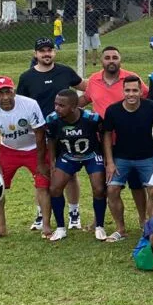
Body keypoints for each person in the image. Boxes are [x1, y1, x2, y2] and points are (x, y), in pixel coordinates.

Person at [17, 37, 86, 231]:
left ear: (54, 52)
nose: (46, 54)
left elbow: (86, 88)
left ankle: (74, 213)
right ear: (35, 54)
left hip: (66, 132)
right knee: (41, 174)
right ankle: (41, 213)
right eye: (42, 51)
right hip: (39, 134)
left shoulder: (65, 71)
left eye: (50, 50)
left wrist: (81, 108)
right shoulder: (26, 77)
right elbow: (20, 105)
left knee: (70, 173)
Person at [79, 46, 150, 228]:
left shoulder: (131, 78)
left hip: (129, 139)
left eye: (115, 57)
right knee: (103, 183)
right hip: (103, 141)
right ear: (102, 60)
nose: (111, 60)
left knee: (136, 184)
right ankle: (99, 219)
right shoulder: (93, 80)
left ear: (120, 60)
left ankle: (143, 219)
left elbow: (147, 98)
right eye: (107, 57)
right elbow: (84, 100)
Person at [0, 76, 51, 240]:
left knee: (43, 184)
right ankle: (1, 228)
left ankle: (46, 227)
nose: (5, 97)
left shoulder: (29, 104)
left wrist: (41, 162)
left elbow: (40, 133)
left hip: (34, 149)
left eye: (8, 92)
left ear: (14, 91)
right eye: (0, 93)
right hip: (9, 150)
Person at [103, 75, 153, 243]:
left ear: (141, 91)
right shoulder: (113, 110)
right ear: (123, 91)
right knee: (111, 190)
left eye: (135, 90)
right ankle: (120, 229)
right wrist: (110, 162)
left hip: (147, 156)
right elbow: (106, 135)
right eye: (128, 90)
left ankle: (149, 228)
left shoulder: (151, 107)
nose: (131, 94)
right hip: (120, 158)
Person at [45, 89, 107, 242]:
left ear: (73, 107)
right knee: (54, 188)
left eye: (61, 105)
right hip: (68, 156)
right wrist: (52, 160)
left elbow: (104, 134)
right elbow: (51, 140)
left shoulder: (92, 118)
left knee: (99, 188)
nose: (57, 108)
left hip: (91, 155)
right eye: (56, 104)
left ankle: (99, 225)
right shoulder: (52, 120)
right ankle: (60, 228)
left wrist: (106, 157)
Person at [84, 1, 101, 66]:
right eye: (85, 4)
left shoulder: (96, 12)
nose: (86, 6)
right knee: (85, 47)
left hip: (94, 31)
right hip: (86, 31)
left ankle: (94, 61)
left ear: (90, 5)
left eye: (87, 4)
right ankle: (85, 61)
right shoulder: (83, 13)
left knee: (95, 47)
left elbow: (99, 20)